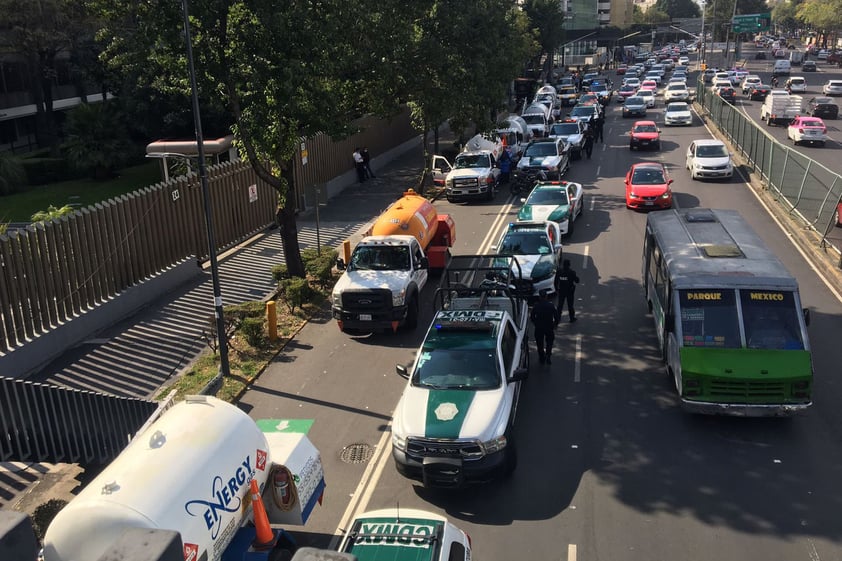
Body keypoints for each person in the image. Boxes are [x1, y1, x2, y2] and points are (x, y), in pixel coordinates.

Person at [531, 290, 560, 364]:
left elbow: (532, 317)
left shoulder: (536, 306)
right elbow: (556, 316)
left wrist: (535, 323)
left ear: (540, 297)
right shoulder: (551, 306)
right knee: (549, 341)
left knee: (539, 343)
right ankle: (548, 355)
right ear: (546, 297)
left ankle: (541, 357)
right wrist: (555, 324)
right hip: (549, 326)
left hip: (539, 327)